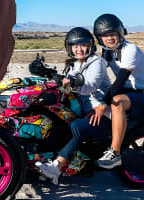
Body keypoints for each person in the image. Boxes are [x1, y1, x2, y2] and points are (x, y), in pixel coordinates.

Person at [35, 27, 111, 184]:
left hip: (100, 112)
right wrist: (47, 73)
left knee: (75, 126)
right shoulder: (76, 64)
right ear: (69, 47)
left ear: (90, 45)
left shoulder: (97, 62)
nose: (79, 49)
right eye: (75, 46)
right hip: (84, 108)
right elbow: (66, 83)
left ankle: (56, 167)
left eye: (82, 45)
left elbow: (90, 85)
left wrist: (72, 83)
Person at [93, 13, 144, 169]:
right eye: (104, 35)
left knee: (116, 102)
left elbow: (120, 79)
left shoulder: (131, 50)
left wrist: (104, 102)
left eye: (112, 33)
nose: (109, 38)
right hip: (129, 91)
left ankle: (114, 153)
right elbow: (99, 72)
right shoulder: (108, 51)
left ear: (120, 32)